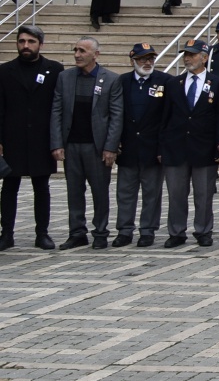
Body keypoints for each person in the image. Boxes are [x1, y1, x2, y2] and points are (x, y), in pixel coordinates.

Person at [52, 36, 124, 249]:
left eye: (82, 51)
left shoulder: (111, 79)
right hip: (72, 145)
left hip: (97, 147)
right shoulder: (64, 78)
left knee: (100, 191)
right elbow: (56, 111)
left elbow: (116, 116)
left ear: (96, 54)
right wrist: (57, 143)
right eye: (75, 50)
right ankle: (76, 232)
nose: (77, 55)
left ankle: (100, 232)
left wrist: (111, 147)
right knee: (74, 191)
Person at [0, 26, 62, 249]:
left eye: (31, 41)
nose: (25, 46)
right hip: (12, 139)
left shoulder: (54, 70)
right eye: (22, 41)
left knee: (41, 187)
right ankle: (6, 233)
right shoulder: (5, 71)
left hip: (41, 139)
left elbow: (58, 106)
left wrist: (58, 140)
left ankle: (42, 233)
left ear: (40, 44)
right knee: (9, 187)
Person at [114, 42, 173, 248]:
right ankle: (124, 230)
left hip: (153, 149)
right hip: (128, 148)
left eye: (150, 59)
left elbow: (168, 119)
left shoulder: (165, 81)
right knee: (125, 192)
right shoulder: (121, 82)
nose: (147, 63)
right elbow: (115, 115)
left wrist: (163, 148)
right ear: (133, 60)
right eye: (142, 59)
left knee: (152, 194)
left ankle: (147, 230)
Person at [170, 39, 219, 248]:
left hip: (204, 148)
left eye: (192, 55)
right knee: (176, 194)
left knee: (203, 194)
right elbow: (166, 118)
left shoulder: (217, 83)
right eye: (185, 54)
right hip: (177, 147)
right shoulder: (174, 83)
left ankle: (203, 230)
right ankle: (176, 232)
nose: (187, 58)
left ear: (204, 57)